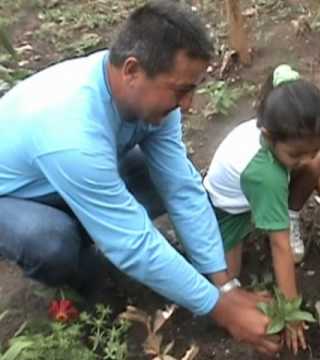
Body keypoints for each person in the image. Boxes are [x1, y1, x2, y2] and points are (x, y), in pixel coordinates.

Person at [0, 1, 281, 356]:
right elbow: (131, 242)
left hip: (67, 176)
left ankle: (93, 223)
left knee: (160, 178)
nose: (189, 104)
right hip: (13, 197)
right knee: (51, 244)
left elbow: (180, 187)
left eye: (192, 89)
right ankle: (87, 278)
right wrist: (220, 309)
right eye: (180, 90)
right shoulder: (71, 131)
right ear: (132, 70)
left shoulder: (147, 99)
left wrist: (224, 285)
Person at [204, 64, 320, 355]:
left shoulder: (282, 132)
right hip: (226, 212)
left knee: (316, 165)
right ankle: (211, 244)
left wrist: (317, 179)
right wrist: (291, 313)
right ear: (268, 135)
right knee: (227, 280)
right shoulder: (266, 174)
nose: (303, 159)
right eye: (296, 154)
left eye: (313, 148)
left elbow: (304, 158)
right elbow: (280, 246)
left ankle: (287, 215)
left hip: (257, 193)